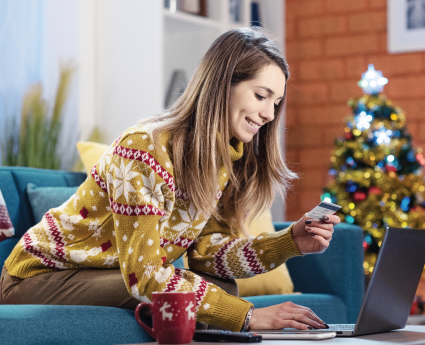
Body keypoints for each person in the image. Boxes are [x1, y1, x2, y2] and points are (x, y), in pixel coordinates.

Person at [0, 27, 339, 332]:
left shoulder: (222, 160)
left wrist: (289, 241)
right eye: (261, 95)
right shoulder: (144, 148)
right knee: (199, 297)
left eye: (276, 103)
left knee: (221, 288)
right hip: (39, 277)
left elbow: (209, 256)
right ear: (223, 85)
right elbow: (144, 276)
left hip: (107, 276)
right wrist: (249, 316)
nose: (268, 114)